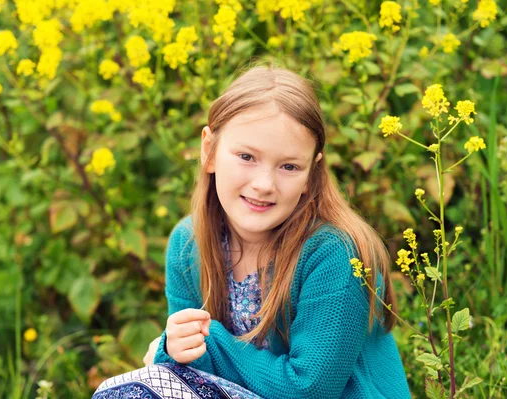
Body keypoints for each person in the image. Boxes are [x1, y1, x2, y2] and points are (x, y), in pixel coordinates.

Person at [93, 65, 411, 399]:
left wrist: (208, 345)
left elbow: (309, 390)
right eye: (246, 156)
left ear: (311, 174)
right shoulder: (189, 245)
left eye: (289, 167)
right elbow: (189, 372)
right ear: (209, 150)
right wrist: (173, 349)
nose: (264, 185)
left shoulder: (334, 254)